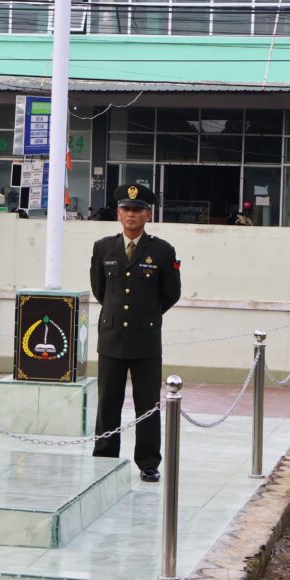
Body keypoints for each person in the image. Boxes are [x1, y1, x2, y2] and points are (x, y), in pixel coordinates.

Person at [89, 183, 181, 482]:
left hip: (145, 339)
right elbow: (101, 290)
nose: (131, 215)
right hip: (112, 338)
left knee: (147, 403)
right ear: (118, 213)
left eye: (137, 210)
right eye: (126, 209)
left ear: (148, 214)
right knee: (108, 402)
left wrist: (146, 317)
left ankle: (148, 461)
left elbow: (170, 294)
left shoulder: (162, 251)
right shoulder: (104, 247)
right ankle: (105, 457)